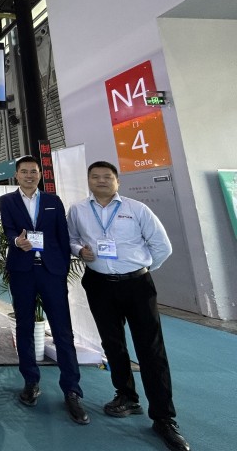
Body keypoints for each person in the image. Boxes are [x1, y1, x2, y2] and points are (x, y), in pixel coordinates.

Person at [67, 161, 190, 451]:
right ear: (88, 181)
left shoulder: (137, 209)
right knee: (112, 344)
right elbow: (71, 239)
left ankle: (163, 417)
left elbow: (162, 246)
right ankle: (126, 396)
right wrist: (79, 250)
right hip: (99, 284)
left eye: (107, 177)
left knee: (151, 349)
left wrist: (140, 269)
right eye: (95, 177)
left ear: (117, 181)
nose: (101, 181)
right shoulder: (78, 210)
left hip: (137, 285)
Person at [0, 155, 89, 425]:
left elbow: (62, 235)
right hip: (23, 271)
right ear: (16, 175)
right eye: (24, 171)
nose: (29, 176)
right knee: (24, 327)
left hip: (51, 272)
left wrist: (61, 268)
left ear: (40, 174)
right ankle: (30, 382)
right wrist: (17, 241)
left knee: (63, 330)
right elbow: (9, 229)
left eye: (34, 171)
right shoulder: (7, 200)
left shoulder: (53, 201)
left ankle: (72, 390)